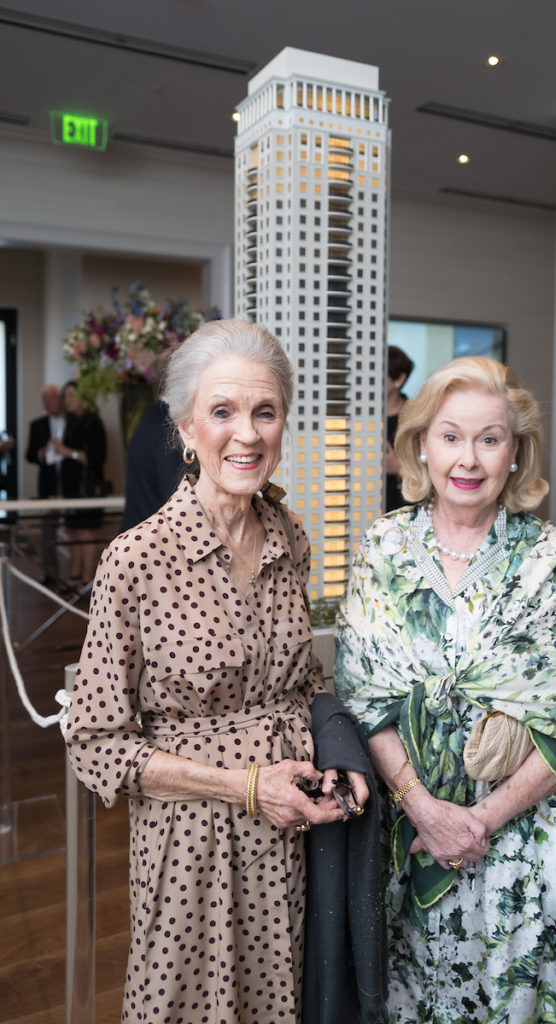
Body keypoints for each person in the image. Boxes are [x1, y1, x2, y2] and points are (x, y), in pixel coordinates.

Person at [66, 318, 369, 1024]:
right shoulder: (137, 559)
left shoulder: (289, 536)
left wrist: (340, 751)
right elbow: (96, 742)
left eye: (265, 412)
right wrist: (243, 786)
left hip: (296, 835)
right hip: (192, 843)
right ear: (185, 427)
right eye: (223, 412)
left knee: (288, 999)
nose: (247, 434)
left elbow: (301, 681)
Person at [335, 356, 556, 1024]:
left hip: (520, 844)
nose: (468, 457)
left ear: (515, 454)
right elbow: (363, 697)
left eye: (489, 438)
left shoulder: (546, 556)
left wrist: (481, 822)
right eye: (451, 435)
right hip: (411, 833)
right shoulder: (382, 546)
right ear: (421, 444)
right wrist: (428, 811)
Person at [52, 381, 107, 589]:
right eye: (65, 396)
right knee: (71, 529)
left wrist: (67, 451)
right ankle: (75, 573)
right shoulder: (71, 422)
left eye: (72, 395)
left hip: (87, 488)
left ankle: (87, 578)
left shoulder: (94, 423)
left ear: (83, 397)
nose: (67, 401)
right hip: (70, 487)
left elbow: (95, 458)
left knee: (84, 531)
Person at [120, 397, 185, 532]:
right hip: (152, 540)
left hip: (141, 532)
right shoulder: (168, 426)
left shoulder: (154, 417)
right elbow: (175, 497)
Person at [25, 384, 65, 582]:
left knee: (76, 526)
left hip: (69, 481)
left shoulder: (72, 421)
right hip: (48, 482)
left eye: (53, 398)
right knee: (48, 528)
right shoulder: (37, 425)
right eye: (46, 399)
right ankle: (50, 572)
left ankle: (77, 574)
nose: (50, 402)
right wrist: (42, 452)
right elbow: (29, 455)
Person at [385, 345, 414, 512]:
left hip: (403, 511)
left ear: (399, 379)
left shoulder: (416, 420)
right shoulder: (361, 419)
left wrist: (397, 467)